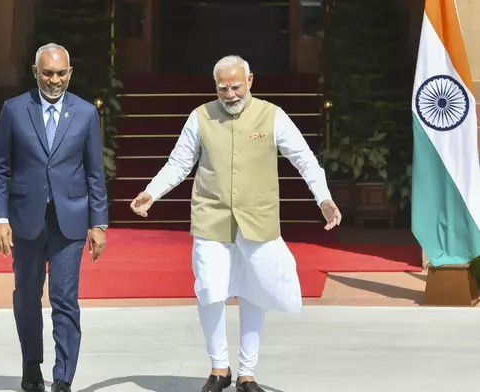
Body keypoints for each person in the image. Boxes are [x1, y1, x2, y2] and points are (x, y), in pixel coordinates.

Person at [130, 55, 341, 392]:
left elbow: (305, 159)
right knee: (210, 291)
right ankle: (219, 368)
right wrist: (152, 192)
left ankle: (247, 373)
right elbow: (179, 163)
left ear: (251, 81)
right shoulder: (200, 116)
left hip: (258, 218)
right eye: (222, 88)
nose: (229, 94)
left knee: (255, 292)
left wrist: (323, 198)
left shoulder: (273, 116)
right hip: (211, 218)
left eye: (236, 86)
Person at [0, 42, 108, 392]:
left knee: (64, 298)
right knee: (26, 296)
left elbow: (94, 173)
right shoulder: (14, 110)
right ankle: (31, 365)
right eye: (47, 73)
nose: (54, 80)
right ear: (35, 71)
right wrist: (0, 218)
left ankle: (63, 377)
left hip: (69, 222)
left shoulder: (85, 113)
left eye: (60, 73)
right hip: (25, 220)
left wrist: (98, 224)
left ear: (69, 73)